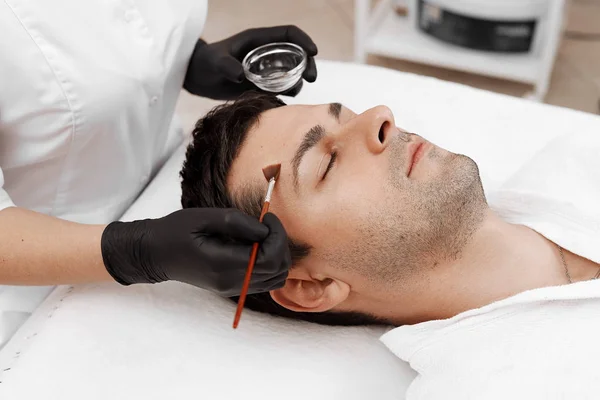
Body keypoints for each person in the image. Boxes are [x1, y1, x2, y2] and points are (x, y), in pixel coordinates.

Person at [0, 0, 318, 347]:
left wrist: (188, 60)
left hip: (163, 180)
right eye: (326, 166)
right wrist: (136, 252)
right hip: (37, 282)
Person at [179, 91, 600, 327]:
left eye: (347, 116)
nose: (380, 116)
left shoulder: (581, 157)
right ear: (310, 286)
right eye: (326, 165)